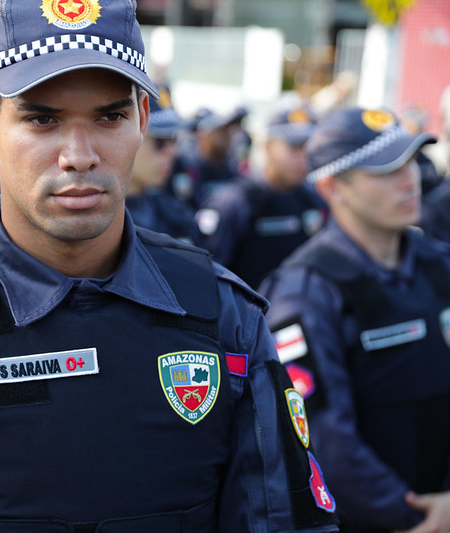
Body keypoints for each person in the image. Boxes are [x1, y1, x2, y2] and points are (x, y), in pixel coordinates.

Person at [0, 1, 339, 532]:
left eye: (109, 117)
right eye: (43, 120)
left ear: (143, 119)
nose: (79, 153)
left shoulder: (226, 318)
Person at [259, 107, 450, 532]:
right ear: (332, 187)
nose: (410, 180)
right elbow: (324, 441)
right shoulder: (306, 291)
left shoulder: (438, 265)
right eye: (385, 171)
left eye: (410, 161)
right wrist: (416, 515)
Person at [196, 105, 327, 289]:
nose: (303, 156)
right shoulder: (236, 202)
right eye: (295, 147)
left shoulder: (315, 201)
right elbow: (208, 276)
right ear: (268, 147)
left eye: (309, 147)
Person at [125, 93, 201, 244]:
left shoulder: (175, 214)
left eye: (173, 140)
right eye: (160, 141)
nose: (173, 152)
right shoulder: (96, 218)